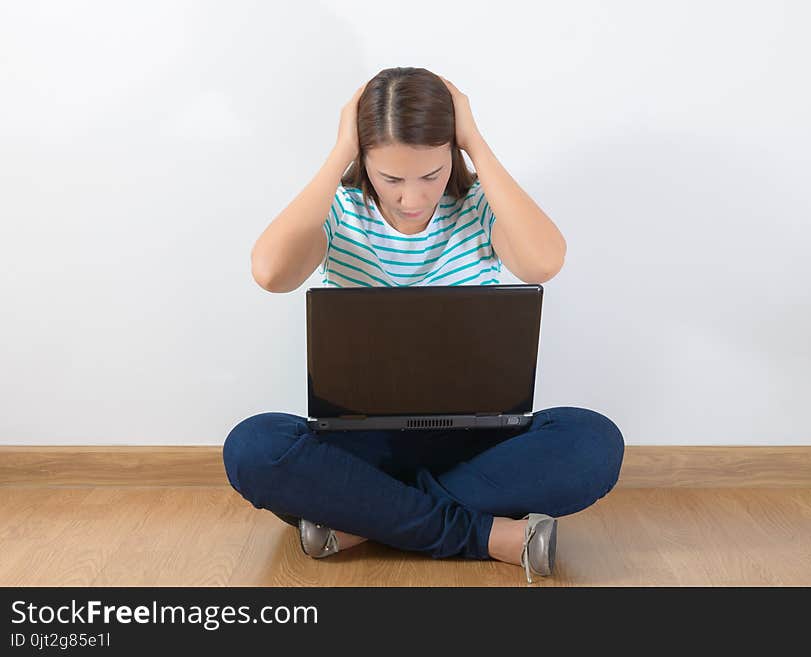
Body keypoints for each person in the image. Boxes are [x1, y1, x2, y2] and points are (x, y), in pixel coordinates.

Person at [223, 67, 625, 584]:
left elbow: (544, 262)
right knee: (253, 447)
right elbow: (270, 272)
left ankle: (365, 521)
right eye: (391, 178)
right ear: (363, 160)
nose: (412, 198)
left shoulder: (481, 207)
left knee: (593, 440)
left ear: (451, 156)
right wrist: (338, 152)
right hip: (361, 445)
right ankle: (487, 536)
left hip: (473, 441)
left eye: (430, 176)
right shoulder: (337, 211)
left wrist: (476, 141)